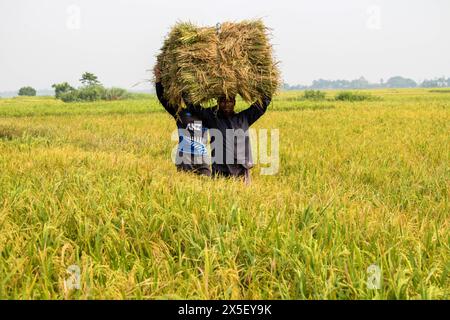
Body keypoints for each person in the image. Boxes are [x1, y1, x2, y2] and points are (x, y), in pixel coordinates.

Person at [187, 93, 271, 184]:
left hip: (241, 172)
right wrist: (186, 91)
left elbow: (261, 106)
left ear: (234, 103)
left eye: (230, 101)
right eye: (223, 101)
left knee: (244, 197)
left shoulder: (244, 118)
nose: (226, 105)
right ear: (218, 102)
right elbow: (193, 107)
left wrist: (268, 88)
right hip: (220, 172)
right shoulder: (213, 119)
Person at [154, 66, 211, 176]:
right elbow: (163, 99)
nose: (191, 99)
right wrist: (158, 79)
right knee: (185, 186)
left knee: (207, 185)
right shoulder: (181, 113)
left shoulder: (209, 114)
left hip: (202, 159)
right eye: (188, 96)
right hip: (184, 159)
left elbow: (224, 104)